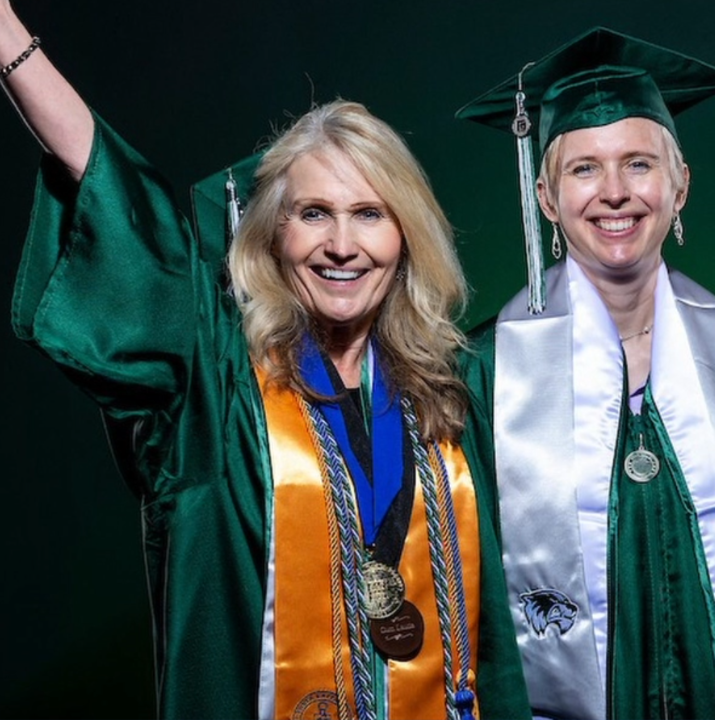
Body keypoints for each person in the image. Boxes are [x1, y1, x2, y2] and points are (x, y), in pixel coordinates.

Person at [1, 3, 529, 718]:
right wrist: (7, 35)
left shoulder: (443, 394)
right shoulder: (216, 386)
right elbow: (117, 202)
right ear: (273, 234)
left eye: (370, 214)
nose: (341, 244)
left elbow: (492, 637)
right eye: (313, 213)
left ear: (406, 236)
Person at [454, 27, 715, 720]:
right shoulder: (485, 376)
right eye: (584, 169)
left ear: (680, 185)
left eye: (639, 164)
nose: (615, 193)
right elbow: (479, 621)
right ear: (546, 197)